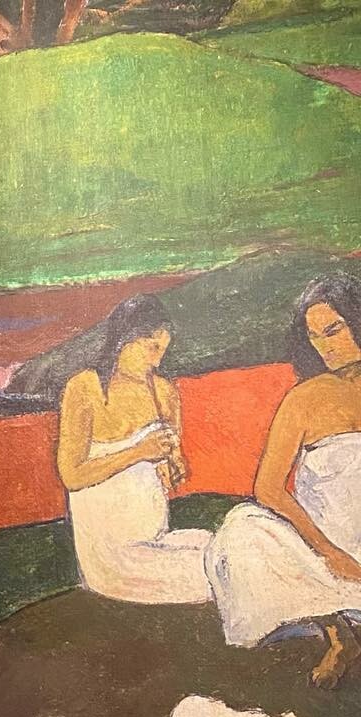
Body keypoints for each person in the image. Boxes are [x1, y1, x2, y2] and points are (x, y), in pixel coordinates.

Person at [205, 275, 361, 687]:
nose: (325, 347)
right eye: (314, 337)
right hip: (317, 546)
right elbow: (268, 488)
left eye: (334, 330)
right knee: (241, 530)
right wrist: (329, 552)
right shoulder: (304, 399)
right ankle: (337, 631)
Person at [56, 294, 212, 604]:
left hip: (157, 539)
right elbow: (71, 475)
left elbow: (169, 464)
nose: (157, 361)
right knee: (225, 567)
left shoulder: (164, 392)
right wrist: (139, 452)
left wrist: (173, 465)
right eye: (152, 348)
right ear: (123, 340)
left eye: (163, 351)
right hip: (113, 558)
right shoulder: (85, 388)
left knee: (232, 544)